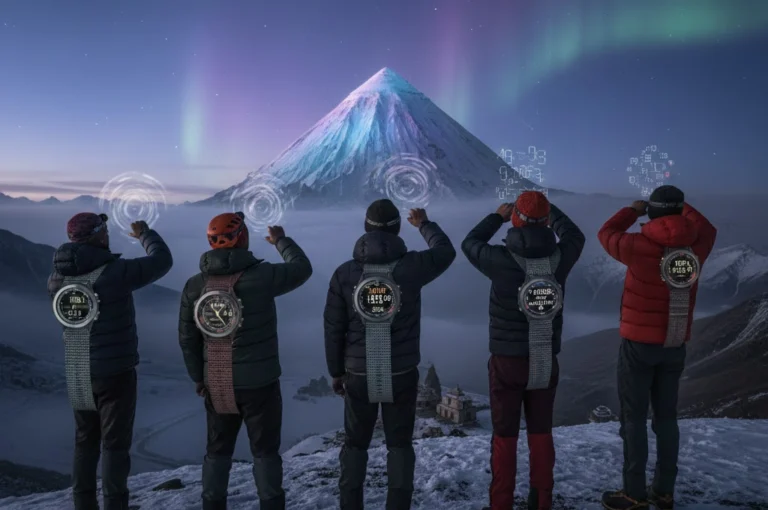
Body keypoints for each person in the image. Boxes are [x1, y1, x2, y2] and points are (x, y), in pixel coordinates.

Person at [324, 198, 456, 510]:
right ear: (397, 229)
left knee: (355, 446)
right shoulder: (412, 267)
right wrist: (424, 223)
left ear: (365, 229)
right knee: (399, 446)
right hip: (401, 373)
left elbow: (333, 327)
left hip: (357, 373)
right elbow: (446, 252)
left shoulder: (344, 273)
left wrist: (336, 371)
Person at [178, 212, 312, 510]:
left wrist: (199, 378)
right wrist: (281, 241)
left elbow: (187, 338)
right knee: (264, 451)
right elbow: (302, 269)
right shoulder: (263, 277)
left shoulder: (194, 286)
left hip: (217, 381)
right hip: (260, 383)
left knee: (217, 450)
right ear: (242, 238)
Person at [462, 191, 585, 510]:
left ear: (516, 218)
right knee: (541, 433)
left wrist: (498, 216)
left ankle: (501, 503)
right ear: (546, 222)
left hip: (507, 362)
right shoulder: (561, 257)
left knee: (505, 436)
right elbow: (574, 233)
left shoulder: (498, 260)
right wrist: (547, 209)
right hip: (545, 360)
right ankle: (541, 501)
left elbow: (470, 242)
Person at [597, 185, 717, 510]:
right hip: (674, 342)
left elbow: (606, 232)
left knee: (633, 419)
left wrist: (634, 210)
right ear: (678, 210)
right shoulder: (697, 246)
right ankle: (664, 491)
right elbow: (707, 227)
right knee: (666, 418)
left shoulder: (638, 246)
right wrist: (679, 208)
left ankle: (634, 494)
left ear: (653, 210)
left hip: (638, 345)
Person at [48, 213, 173, 510]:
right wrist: (144, 234)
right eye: (103, 230)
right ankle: (115, 504)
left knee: (84, 441)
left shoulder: (55, 278)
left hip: (77, 369)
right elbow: (162, 261)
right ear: (97, 235)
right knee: (115, 446)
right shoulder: (116, 272)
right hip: (115, 373)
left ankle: (83, 504)